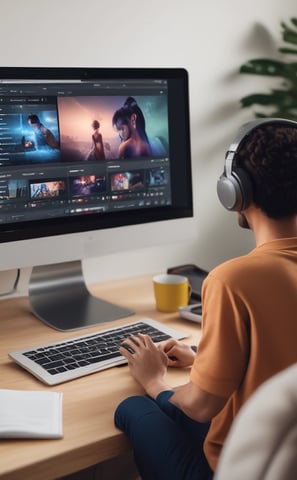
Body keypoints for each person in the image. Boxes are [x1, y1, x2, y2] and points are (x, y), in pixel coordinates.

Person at [114, 119, 297, 479]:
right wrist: (202, 361)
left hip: (237, 469)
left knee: (133, 408)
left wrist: (155, 382)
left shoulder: (233, 281)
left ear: (234, 191)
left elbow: (200, 406)